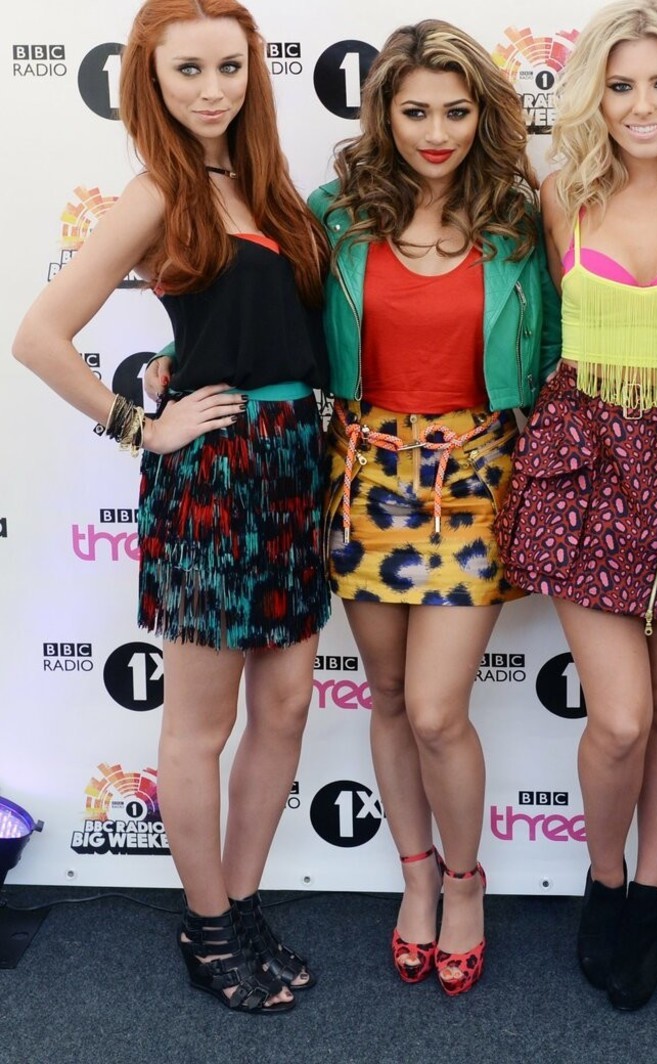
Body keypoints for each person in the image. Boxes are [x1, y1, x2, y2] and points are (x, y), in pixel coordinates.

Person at [13, 0, 331, 1015]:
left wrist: (173, 356)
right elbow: (40, 335)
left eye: (228, 67)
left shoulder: (267, 183)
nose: (212, 89)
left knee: (285, 706)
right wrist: (140, 426)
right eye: (187, 70)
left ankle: (240, 902)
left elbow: (268, 316)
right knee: (201, 725)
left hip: (296, 463)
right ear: (150, 79)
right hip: (214, 477)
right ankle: (206, 923)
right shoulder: (159, 191)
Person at [496, 0, 657, 1011]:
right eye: (619, 86)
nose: (642, 104)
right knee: (618, 718)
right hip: (586, 464)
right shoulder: (562, 193)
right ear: (593, 97)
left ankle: (648, 894)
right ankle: (603, 881)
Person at [307, 20, 560, 996]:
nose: (437, 132)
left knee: (436, 709)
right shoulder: (337, 214)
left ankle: (464, 881)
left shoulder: (519, 220)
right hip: (362, 473)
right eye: (416, 111)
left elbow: (560, 344)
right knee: (386, 696)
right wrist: (175, 360)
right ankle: (415, 878)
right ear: (385, 114)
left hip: (475, 478)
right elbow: (268, 311)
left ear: (483, 115)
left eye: (456, 111)